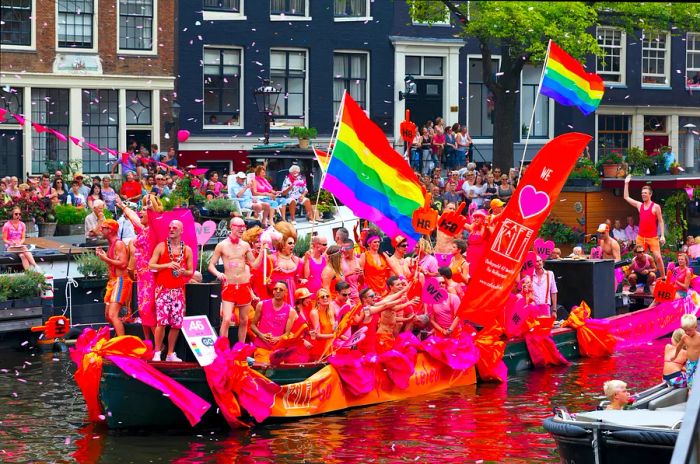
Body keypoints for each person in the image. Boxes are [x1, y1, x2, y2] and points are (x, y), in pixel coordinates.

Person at [209, 217, 265, 342]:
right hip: (230, 286)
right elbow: (211, 265)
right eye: (239, 226)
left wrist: (262, 252)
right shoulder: (222, 245)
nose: (242, 229)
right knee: (227, 319)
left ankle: (240, 348)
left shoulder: (245, 245)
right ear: (231, 227)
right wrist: (218, 273)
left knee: (244, 320)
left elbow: (254, 264)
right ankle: (222, 348)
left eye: (243, 226)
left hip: (244, 286)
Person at [148, 220, 194, 362]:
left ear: (181, 231)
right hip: (163, 289)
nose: (171, 229)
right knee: (161, 322)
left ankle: (170, 353)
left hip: (178, 290)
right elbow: (150, 265)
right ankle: (157, 352)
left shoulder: (187, 250)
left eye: (175, 227)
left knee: (176, 323)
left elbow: (190, 271)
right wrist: (167, 265)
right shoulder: (161, 246)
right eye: (170, 227)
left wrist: (183, 271)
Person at [122, 199, 161, 344]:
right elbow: (134, 218)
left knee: (148, 308)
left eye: (144, 210)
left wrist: (150, 204)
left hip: (151, 274)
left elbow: (152, 215)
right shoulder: (143, 230)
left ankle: (158, 345)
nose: (141, 212)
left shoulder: (154, 229)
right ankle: (148, 342)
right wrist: (123, 207)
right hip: (141, 275)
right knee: (141, 308)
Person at [624, 175, 666, 278]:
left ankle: (663, 277)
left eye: (645, 193)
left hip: (652, 237)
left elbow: (661, 221)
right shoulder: (639, 205)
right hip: (641, 237)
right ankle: (638, 276)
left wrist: (662, 235)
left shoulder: (655, 207)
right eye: (642, 193)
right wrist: (626, 183)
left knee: (658, 257)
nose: (643, 194)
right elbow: (626, 197)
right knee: (639, 258)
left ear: (650, 194)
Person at [95, 219, 131, 337]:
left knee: (112, 315)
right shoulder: (111, 244)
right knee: (108, 315)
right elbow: (114, 263)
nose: (101, 229)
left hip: (120, 281)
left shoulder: (119, 243)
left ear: (110, 230)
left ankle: (122, 342)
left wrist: (105, 259)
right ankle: (120, 333)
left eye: (103, 227)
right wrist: (104, 256)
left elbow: (123, 264)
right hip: (113, 281)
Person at [250, 280, 299, 362]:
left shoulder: (291, 311)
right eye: (275, 289)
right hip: (261, 348)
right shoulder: (261, 305)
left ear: (286, 292)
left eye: (281, 289)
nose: (277, 291)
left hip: (278, 351)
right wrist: (261, 335)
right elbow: (252, 325)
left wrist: (278, 338)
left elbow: (287, 333)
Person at [2, 207, 39, 271]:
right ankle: (35, 266)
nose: (18, 215)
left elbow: (23, 238)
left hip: (19, 246)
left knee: (22, 255)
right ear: (12, 214)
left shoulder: (22, 225)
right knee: (24, 248)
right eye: (16, 214)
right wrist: (12, 243)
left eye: (19, 214)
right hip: (10, 247)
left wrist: (20, 243)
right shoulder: (7, 225)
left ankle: (28, 273)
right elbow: (4, 239)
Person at [674, 313, 700, 390]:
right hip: (689, 363)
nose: (687, 332)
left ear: (695, 327)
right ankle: (690, 393)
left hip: (698, 362)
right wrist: (675, 356)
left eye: (689, 330)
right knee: (690, 383)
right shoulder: (685, 337)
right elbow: (679, 346)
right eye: (685, 330)